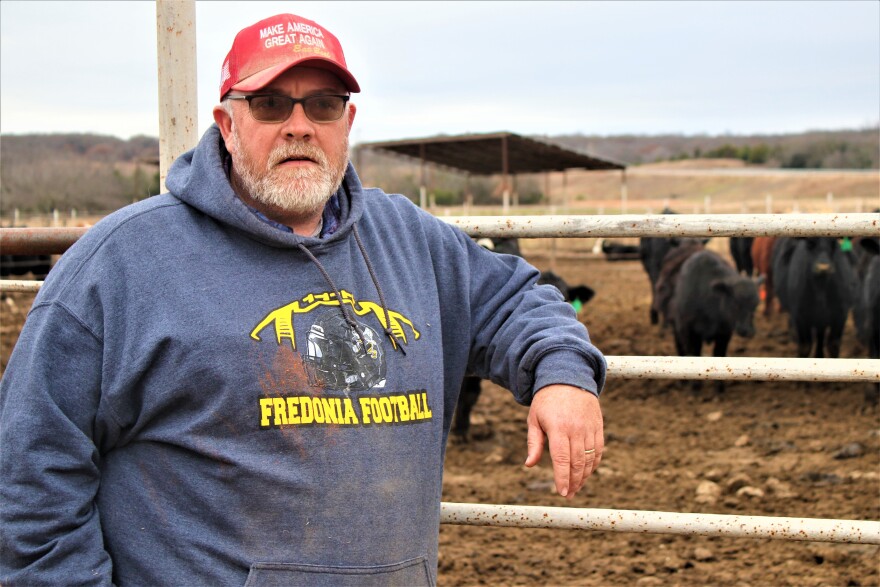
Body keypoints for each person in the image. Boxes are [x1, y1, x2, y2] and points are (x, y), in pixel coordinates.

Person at [0, 12, 606, 586]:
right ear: (227, 123)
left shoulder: (410, 239)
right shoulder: (122, 264)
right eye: (269, 105)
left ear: (348, 121)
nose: (299, 125)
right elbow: (28, 474)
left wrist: (562, 374)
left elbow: (514, 299)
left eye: (323, 104)